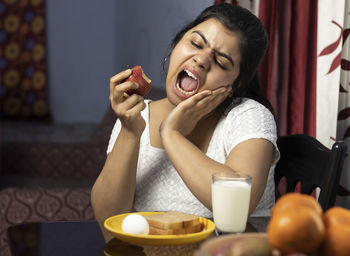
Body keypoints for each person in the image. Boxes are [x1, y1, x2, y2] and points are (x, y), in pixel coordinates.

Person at [91, 3, 279, 241]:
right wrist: (130, 132)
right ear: (176, 45)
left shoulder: (248, 115)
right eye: (196, 44)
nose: (201, 60)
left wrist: (171, 133)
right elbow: (109, 219)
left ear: (234, 85)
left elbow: (238, 206)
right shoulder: (137, 115)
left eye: (221, 62)